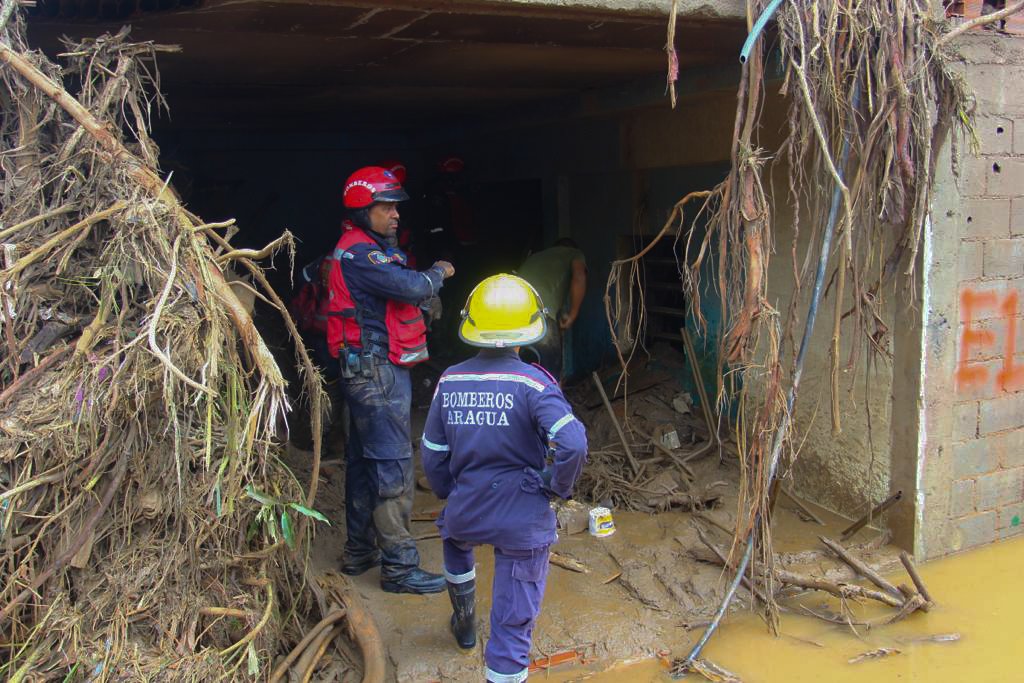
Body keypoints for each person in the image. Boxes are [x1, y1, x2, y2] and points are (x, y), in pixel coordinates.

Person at [420, 274, 588, 682]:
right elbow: (573, 444)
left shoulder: (451, 380)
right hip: (521, 519)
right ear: (528, 329)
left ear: (472, 327)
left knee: (455, 538)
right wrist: (555, 487)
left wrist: (452, 493)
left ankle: (463, 624)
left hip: (466, 509)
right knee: (511, 634)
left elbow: (432, 453)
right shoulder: (533, 382)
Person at [326, 165, 455, 595]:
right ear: (363, 209)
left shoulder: (359, 249)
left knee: (364, 464)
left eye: (397, 206)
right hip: (377, 373)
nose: (395, 214)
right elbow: (414, 286)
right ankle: (399, 569)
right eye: (386, 207)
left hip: (364, 370)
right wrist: (439, 273)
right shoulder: (362, 254)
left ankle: (360, 551)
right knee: (394, 465)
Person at [515, 238, 587, 381]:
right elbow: (579, 276)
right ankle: (553, 401)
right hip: (539, 313)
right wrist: (573, 314)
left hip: (510, 312)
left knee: (512, 367)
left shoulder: (535, 257)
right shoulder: (575, 253)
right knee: (551, 374)